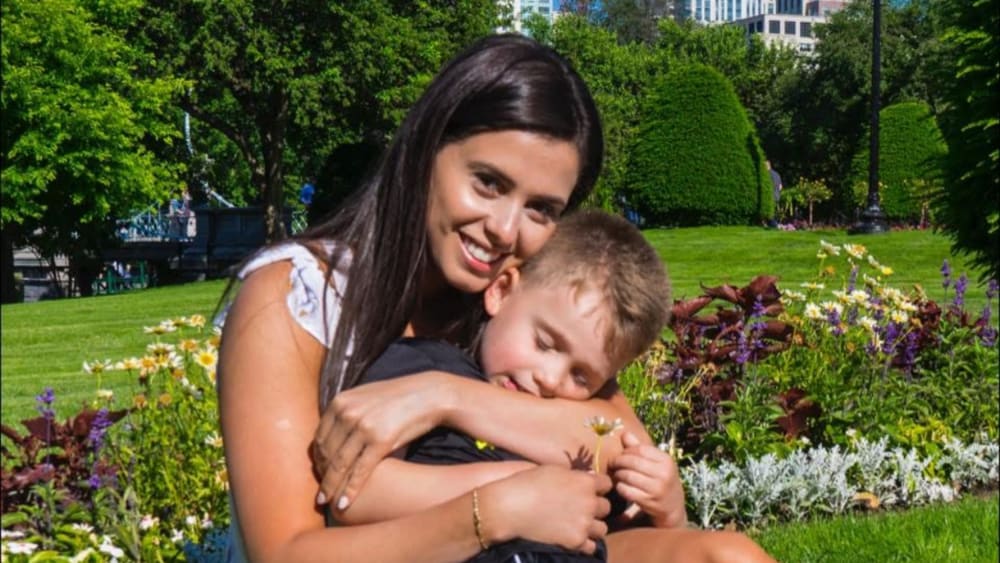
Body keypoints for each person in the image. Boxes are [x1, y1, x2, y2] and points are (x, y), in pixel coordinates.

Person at [219, 34, 769, 563]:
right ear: (426, 148)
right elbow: (285, 551)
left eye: (541, 209)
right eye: (488, 182)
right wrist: (497, 508)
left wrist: (441, 396)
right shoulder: (295, 297)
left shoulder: (529, 305)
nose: (505, 230)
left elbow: (618, 446)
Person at [335, 211, 672, 562]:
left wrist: (670, 509)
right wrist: (514, 489)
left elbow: (626, 520)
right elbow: (357, 496)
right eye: (544, 343)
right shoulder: (424, 365)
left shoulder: (576, 426)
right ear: (502, 291)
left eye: (581, 376)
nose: (550, 379)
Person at [766, 160, 782, 228]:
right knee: (774, 212)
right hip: (777, 196)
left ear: (767, 166)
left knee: (770, 213)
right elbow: (780, 186)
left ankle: (774, 225)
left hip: (771, 196)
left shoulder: (767, 174)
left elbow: (768, 186)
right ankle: (775, 224)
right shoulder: (777, 174)